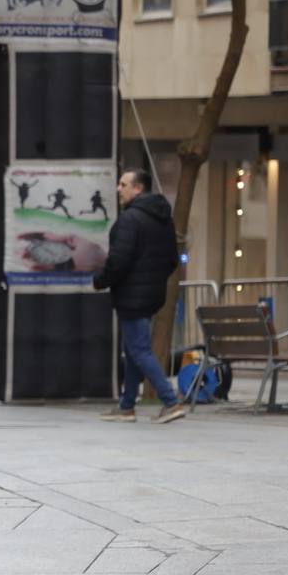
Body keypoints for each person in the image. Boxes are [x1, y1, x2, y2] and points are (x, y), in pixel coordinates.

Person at [94, 169, 185, 424]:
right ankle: (127, 406)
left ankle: (170, 401)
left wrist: (100, 281)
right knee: (133, 349)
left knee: (140, 350)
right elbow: (171, 261)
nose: (118, 189)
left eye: (123, 185)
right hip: (151, 295)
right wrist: (152, 281)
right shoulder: (163, 219)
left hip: (131, 295)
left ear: (138, 189)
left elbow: (118, 262)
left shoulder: (130, 219)